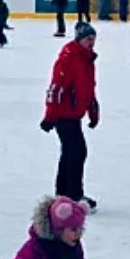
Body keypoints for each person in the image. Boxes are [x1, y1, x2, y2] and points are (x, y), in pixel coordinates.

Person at [40, 22, 100, 210]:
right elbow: (55, 88)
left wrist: (93, 111)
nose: (91, 43)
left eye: (93, 39)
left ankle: (64, 194)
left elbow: (89, 89)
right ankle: (72, 195)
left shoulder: (87, 59)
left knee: (71, 152)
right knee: (76, 152)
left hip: (75, 115)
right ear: (79, 39)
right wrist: (50, 116)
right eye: (87, 39)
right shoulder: (68, 58)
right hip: (63, 114)